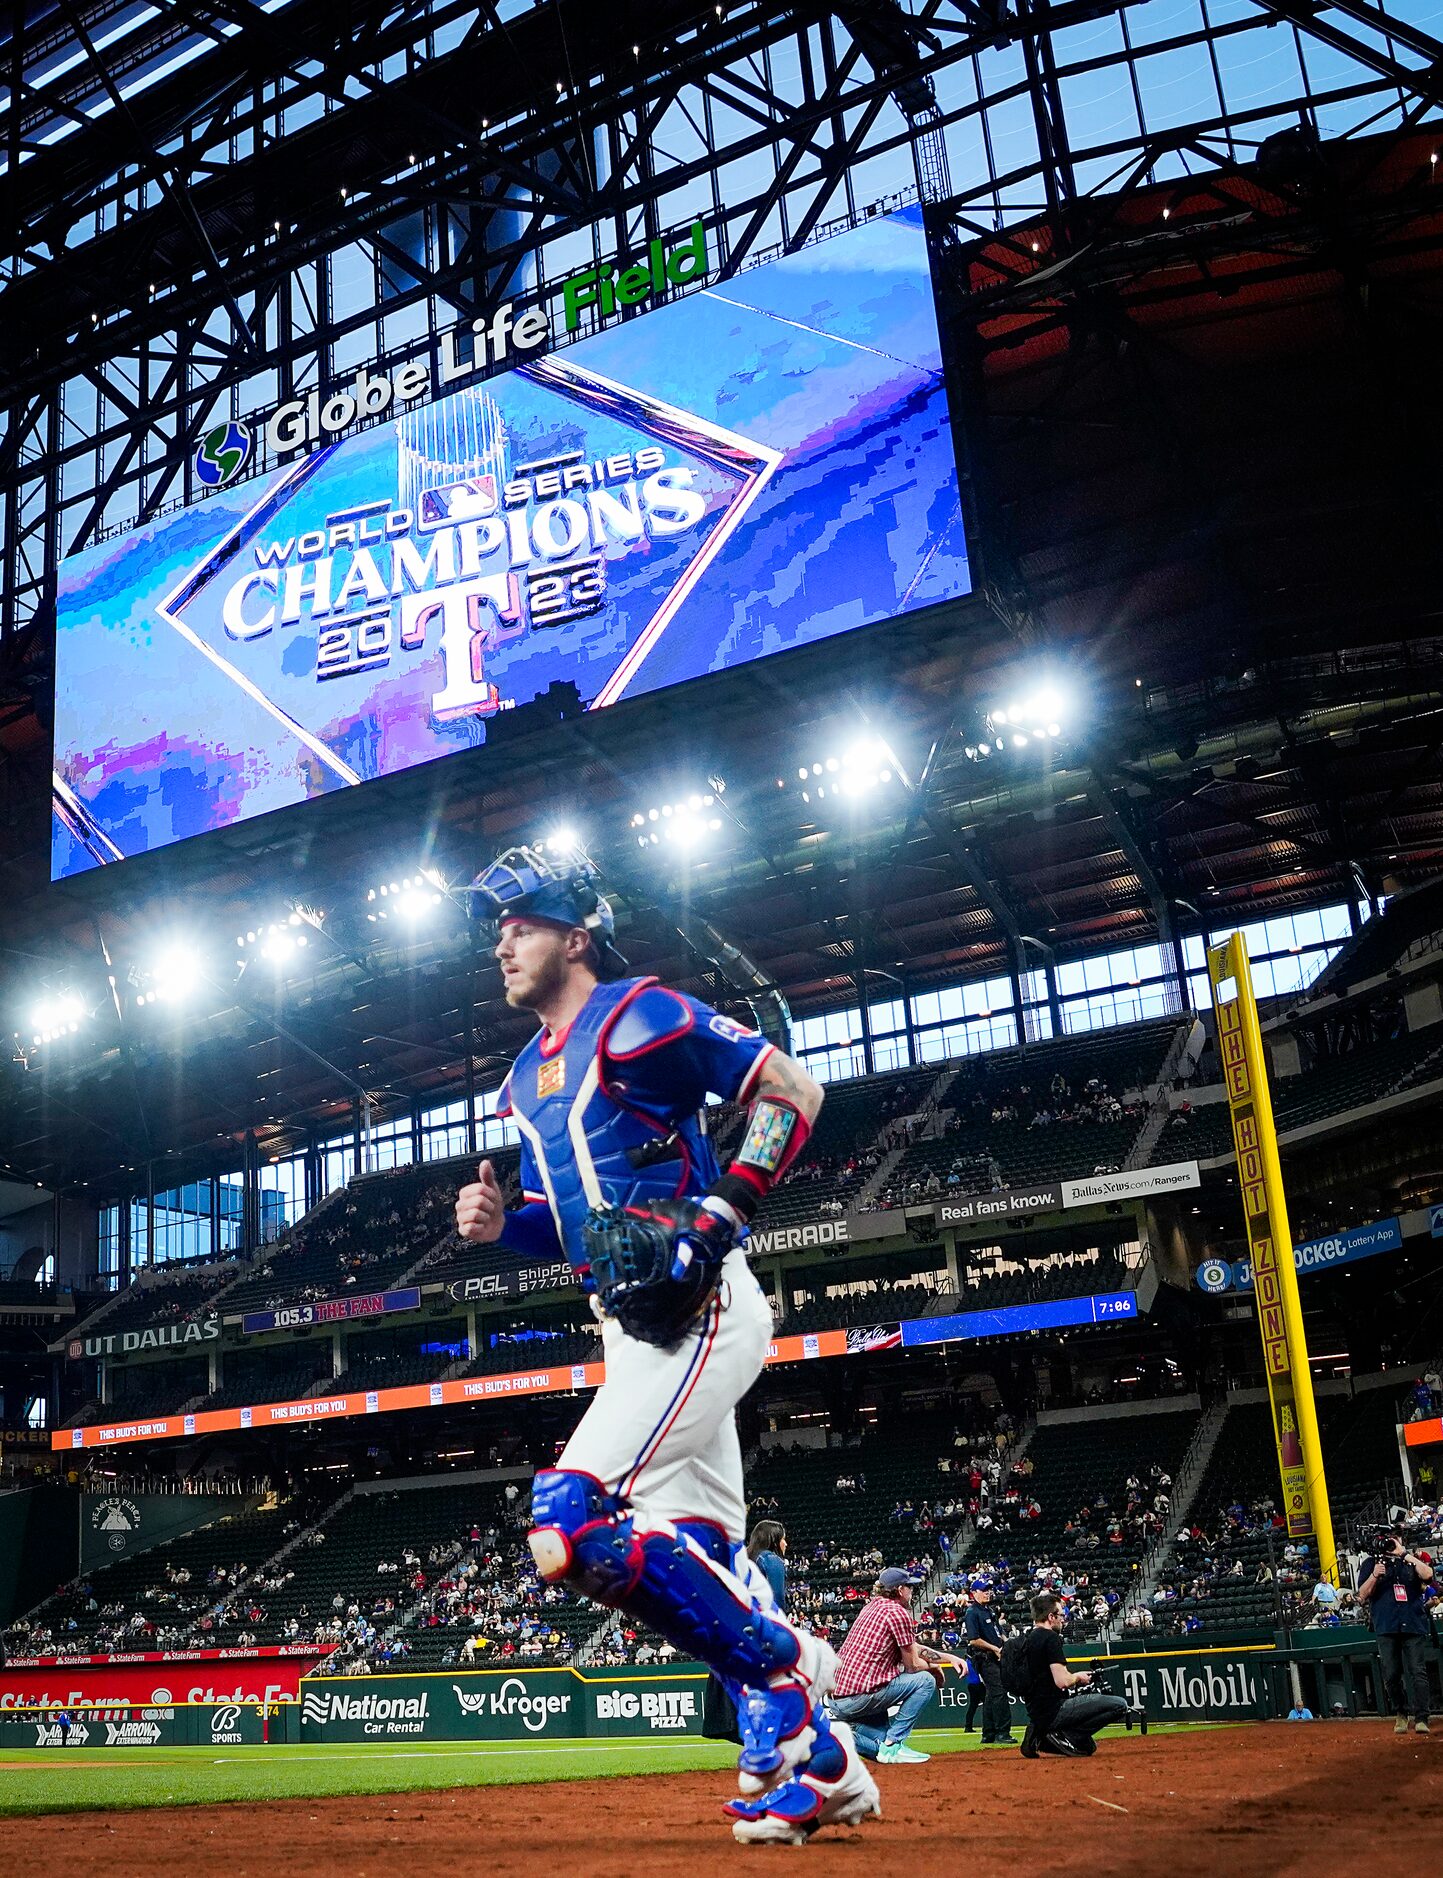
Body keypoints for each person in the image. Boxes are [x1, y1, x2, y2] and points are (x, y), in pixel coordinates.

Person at [454, 846, 877, 1847]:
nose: (502, 943)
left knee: (568, 1521)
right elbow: (569, 1226)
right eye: (497, 930)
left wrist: (724, 1213)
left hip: (700, 1308)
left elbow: (793, 1093)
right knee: (711, 1553)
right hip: (630, 1329)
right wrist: (495, 1225)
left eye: (520, 923)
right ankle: (823, 1764)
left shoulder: (644, 1014)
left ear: (575, 934)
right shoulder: (525, 1077)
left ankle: (792, 1679)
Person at [828, 1568, 964, 1763]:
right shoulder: (897, 1613)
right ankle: (892, 1742)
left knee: (883, 1751)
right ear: (900, 1590)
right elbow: (913, 1667)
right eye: (909, 1587)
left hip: (840, 1696)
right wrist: (933, 1669)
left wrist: (947, 1658)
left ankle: (843, 1734)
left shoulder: (872, 1606)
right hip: (859, 1696)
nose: (912, 1591)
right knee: (924, 1681)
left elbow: (912, 1646)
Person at [1017, 1593, 1129, 1757]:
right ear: (1051, 1616)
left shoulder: (1028, 1638)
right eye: (1061, 1615)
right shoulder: (1050, 1638)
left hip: (1036, 1711)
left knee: (1088, 1747)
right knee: (1120, 1705)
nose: (1063, 1619)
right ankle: (1062, 1736)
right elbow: (1062, 1681)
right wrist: (1078, 1677)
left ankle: (1040, 1735)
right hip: (1054, 1709)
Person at [1357, 1528, 1435, 1734]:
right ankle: (1401, 1713)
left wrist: (1404, 1554)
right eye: (1388, 1539)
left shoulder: (1411, 1560)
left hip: (1413, 1622)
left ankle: (1421, 1717)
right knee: (1391, 1674)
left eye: (1395, 1538)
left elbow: (1428, 1575)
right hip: (1386, 1624)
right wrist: (1375, 1574)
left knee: (1418, 1671)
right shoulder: (1370, 1564)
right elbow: (1362, 1595)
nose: (1392, 1542)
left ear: (1401, 1540)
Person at [963, 1577, 1014, 1744]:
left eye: (989, 1589)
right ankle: (1002, 1733)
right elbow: (973, 1639)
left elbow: (999, 1632)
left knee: (991, 1695)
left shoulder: (989, 1610)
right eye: (984, 1590)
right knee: (999, 1692)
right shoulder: (972, 1612)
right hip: (985, 1658)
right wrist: (994, 1649)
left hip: (996, 1656)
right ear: (974, 1593)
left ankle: (988, 1734)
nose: (988, 1592)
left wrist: (1006, 1645)